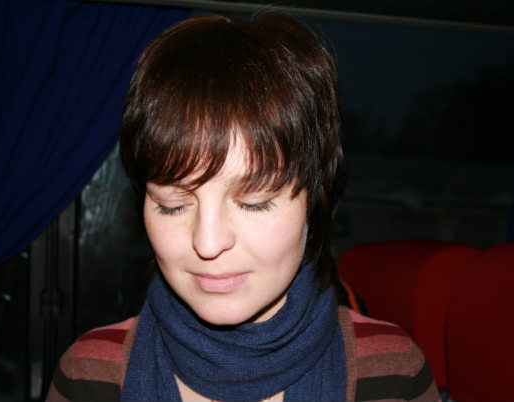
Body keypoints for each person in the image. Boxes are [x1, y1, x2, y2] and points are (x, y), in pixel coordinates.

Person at [47, 11, 440, 402]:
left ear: (315, 199)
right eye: (172, 205)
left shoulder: (394, 376)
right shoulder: (88, 377)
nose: (208, 243)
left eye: (254, 202)